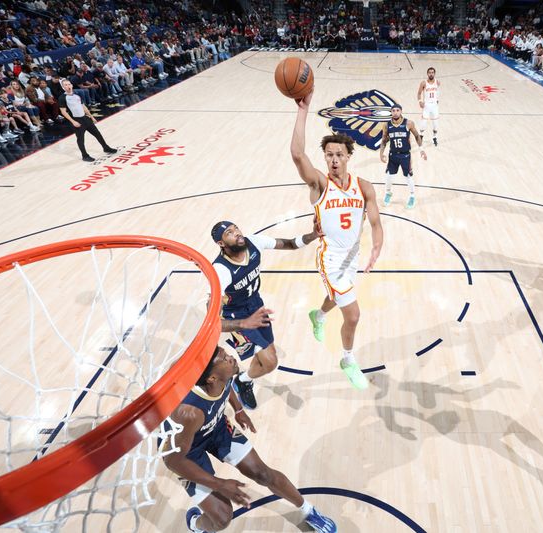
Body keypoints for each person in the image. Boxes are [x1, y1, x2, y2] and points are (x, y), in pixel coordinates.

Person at [162, 345, 337, 533]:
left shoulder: (220, 374)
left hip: (216, 427)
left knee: (263, 474)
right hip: (187, 452)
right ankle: (195, 524)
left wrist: (238, 409)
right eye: (225, 359)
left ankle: (308, 511)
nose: (231, 358)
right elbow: (172, 460)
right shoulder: (189, 412)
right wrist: (220, 484)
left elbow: (225, 385)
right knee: (222, 518)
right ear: (212, 378)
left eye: (227, 354)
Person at [290, 90, 384, 390]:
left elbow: (376, 222)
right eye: (329, 154)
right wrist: (303, 111)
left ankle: (317, 315)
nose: (333, 159)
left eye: (339, 154)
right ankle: (347, 359)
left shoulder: (364, 186)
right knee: (353, 315)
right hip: (330, 259)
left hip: (352, 256)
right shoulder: (319, 183)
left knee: (338, 297)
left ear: (348, 156)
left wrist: (378, 246)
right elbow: (297, 155)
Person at [211, 220, 322, 409]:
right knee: (271, 362)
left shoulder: (254, 242)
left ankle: (243, 381)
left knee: (266, 357)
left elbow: (289, 243)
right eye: (229, 232)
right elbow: (213, 322)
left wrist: (312, 235)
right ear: (221, 243)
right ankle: (243, 381)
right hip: (237, 317)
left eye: (236, 227)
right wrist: (244, 323)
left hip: (257, 306)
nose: (237, 232)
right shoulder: (221, 271)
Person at [378, 103, 426, 208]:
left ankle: (412, 196)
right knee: (389, 176)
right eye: (393, 110)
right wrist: (381, 154)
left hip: (405, 155)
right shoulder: (386, 125)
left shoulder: (408, 123)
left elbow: (417, 136)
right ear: (391, 112)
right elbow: (384, 140)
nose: (395, 112)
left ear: (401, 111)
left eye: (397, 110)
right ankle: (388, 193)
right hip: (393, 155)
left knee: (408, 176)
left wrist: (421, 149)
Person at [58, 79, 116, 162]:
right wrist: (73, 121)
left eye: (69, 84)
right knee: (80, 139)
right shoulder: (62, 97)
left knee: (97, 134)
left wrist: (91, 117)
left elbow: (83, 107)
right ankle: (84, 156)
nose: (68, 86)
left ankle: (106, 148)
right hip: (76, 120)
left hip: (85, 118)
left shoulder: (77, 95)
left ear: (72, 85)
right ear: (63, 87)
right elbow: (63, 112)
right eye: (66, 85)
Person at [416, 67, 440, 146]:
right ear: (427, 73)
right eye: (429, 72)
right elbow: (419, 93)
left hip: (434, 106)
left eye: (432, 72)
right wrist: (420, 101)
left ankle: (435, 137)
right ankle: (421, 137)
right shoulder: (423, 83)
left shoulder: (438, 82)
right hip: (426, 105)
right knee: (423, 123)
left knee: (435, 124)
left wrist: (437, 99)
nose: (431, 74)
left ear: (434, 73)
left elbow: (437, 91)